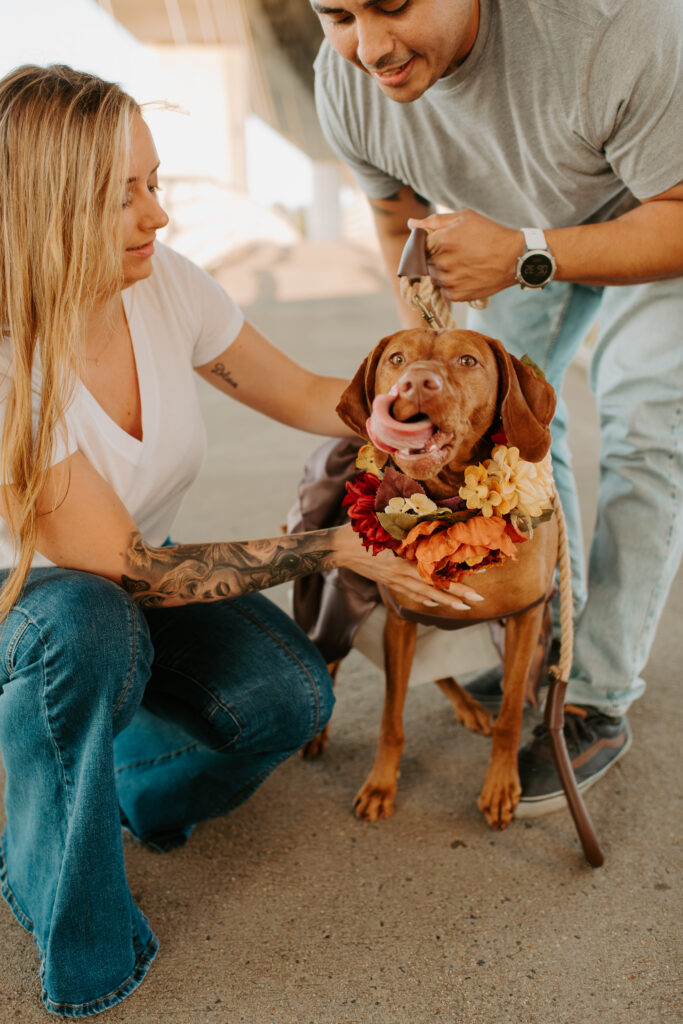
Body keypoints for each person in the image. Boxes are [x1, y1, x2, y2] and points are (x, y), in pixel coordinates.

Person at [0, 64, 483, 1017]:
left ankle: (102, 785)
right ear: (45, 206)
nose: (158, 216)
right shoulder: (14, 360)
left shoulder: (161, 283)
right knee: (92, 626)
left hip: (129, 581)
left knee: (288, 698)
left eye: (154, 183)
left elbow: (300, 392)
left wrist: (386, 415)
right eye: (121, 197)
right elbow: (124, 568)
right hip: (36, 606)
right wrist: (330, 550)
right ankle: (76, 925)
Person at [309, 0, 683, 814]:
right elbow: (391, 212)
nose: (368, 47)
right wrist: (429, 383)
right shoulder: (343, 83)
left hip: (661, 204)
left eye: (392, 4)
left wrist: (528, 254)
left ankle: (596, 694)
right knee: (511, 431)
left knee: (643, 424)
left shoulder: (618, 25)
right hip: (515, 227)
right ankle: (552, 640)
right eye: (336, 13)